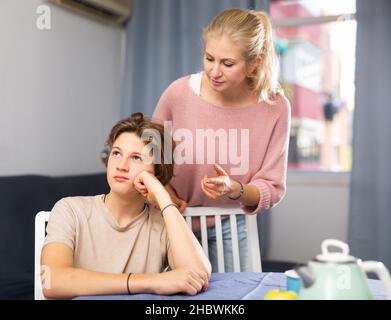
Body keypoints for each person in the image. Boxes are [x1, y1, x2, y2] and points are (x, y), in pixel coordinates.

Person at [152, 8, 291, 272]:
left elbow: (272, 186)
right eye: (209, 58)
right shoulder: (177, 93)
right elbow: (150, 155)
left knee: (236, 296)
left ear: (254, 64)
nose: (214, 72)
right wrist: (166, 193)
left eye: (228, 64)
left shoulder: (275, 106)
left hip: (232, 221)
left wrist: (234, 189)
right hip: (173, 217)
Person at [40, 113, 211, 299]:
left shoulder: (162, 224)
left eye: (136, 158)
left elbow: (198, 276)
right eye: (116, 153)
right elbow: (52, 281)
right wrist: (151, 281)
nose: (121, 165)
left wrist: (163, 196)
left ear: (157, 171)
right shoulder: (70, 210)